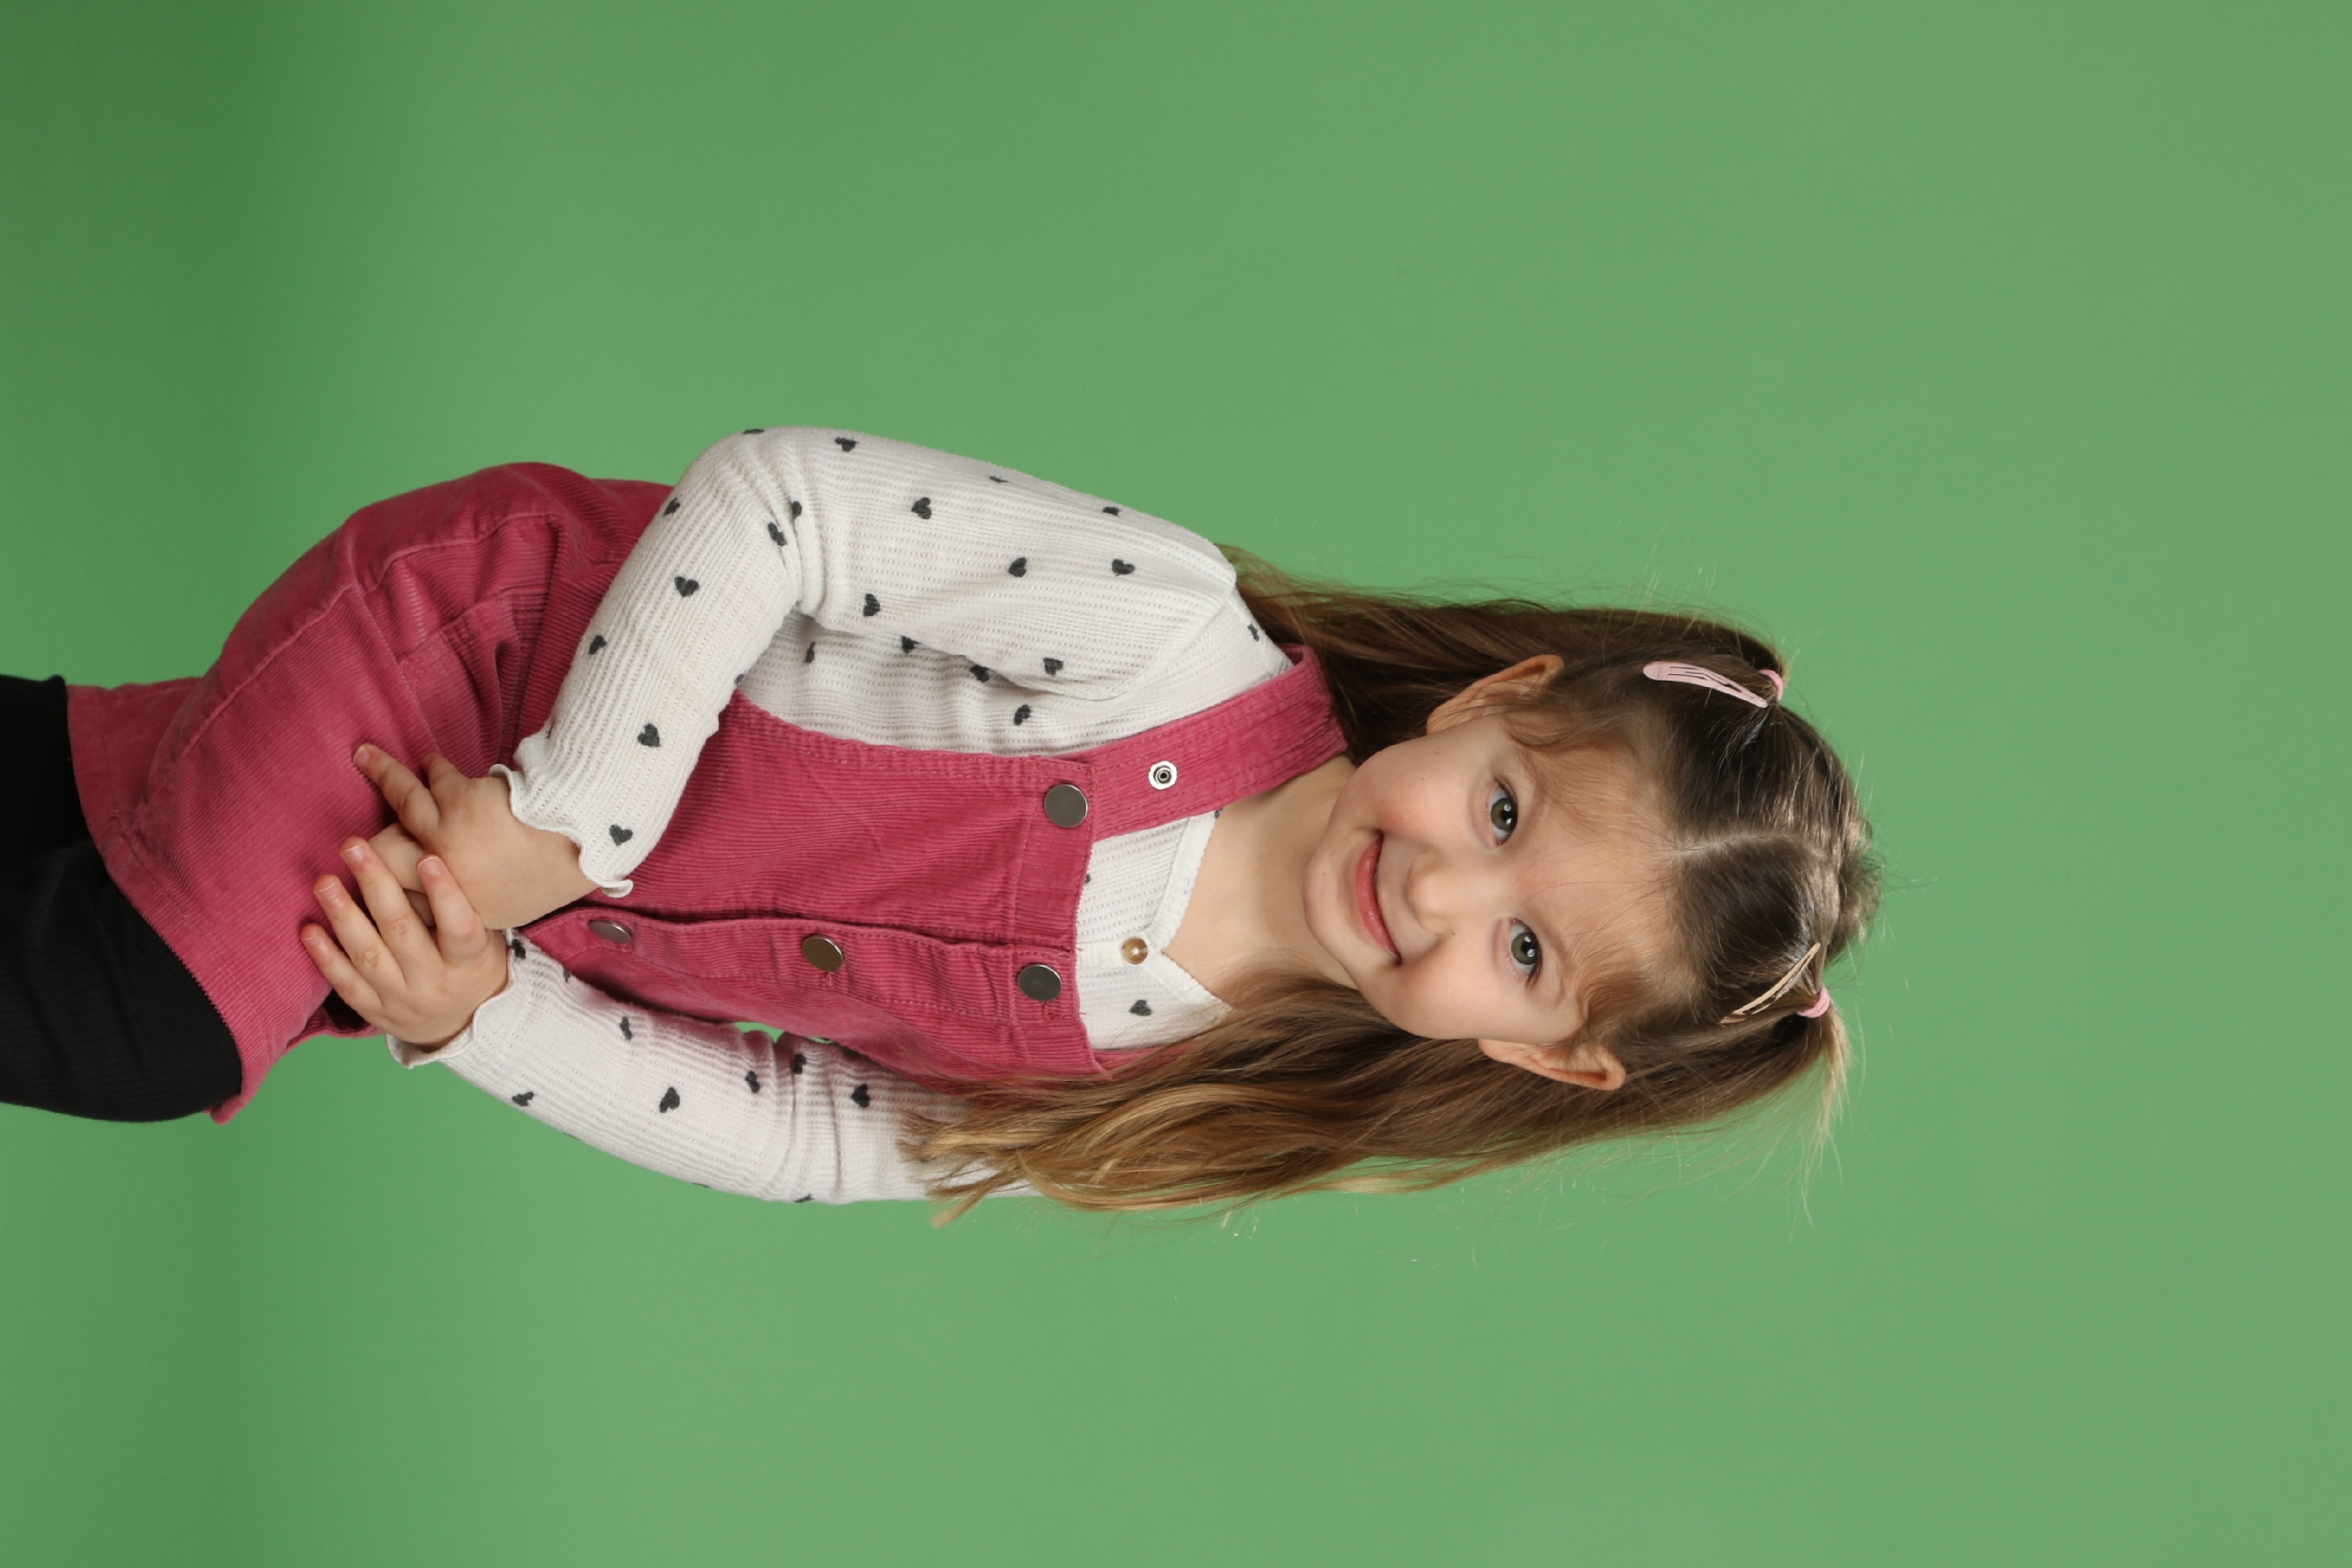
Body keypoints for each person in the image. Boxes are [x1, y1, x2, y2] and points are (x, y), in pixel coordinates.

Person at [1, 428, 1876, 1212]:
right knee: (151, 1018)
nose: (1442, 886)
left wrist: (480, 1013)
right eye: (1500, 808)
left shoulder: (1165, 1083)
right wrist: (572, 820)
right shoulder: (1169, 648)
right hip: (476, 655)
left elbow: (812, 1131)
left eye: (1525, 948)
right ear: (1492, 700)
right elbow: (781, 499)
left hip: (466, 892)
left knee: (71, 807)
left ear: (1549, 1056)